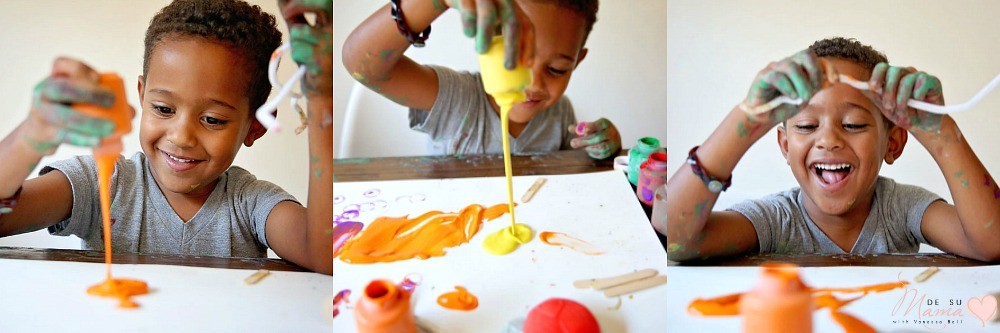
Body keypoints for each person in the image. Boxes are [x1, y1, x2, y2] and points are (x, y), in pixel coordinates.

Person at [0, 0, 333, 275]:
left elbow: (323, 255)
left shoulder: (251, 204)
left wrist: (322, 101)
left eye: (212, 119)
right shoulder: (102, 184)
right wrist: (33, 134)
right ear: (142, 95)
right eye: (163, 108)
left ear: (255, 126)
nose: (181, 136)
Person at [662, 37, 1000, 262]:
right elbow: (676, 237)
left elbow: (992, 243)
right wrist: (746, 120)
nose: (828, 140)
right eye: (808, 126)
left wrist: (940, 132)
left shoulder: (902, 209)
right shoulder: (777, 220)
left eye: (853, 125)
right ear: (785, 145)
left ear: (893, 143)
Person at [343, 0, 621, 159]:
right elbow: (365, 67)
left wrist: (602, 147)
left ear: (577, 62)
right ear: (488, 41)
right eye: (518, 57)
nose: (534, 84)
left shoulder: (560, 113)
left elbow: (572, 173)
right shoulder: (455, 98)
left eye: (557, 70)